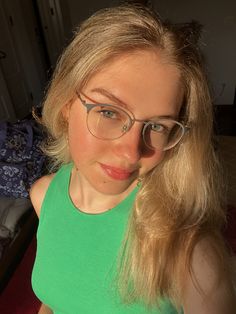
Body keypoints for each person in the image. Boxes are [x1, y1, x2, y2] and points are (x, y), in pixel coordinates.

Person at [30, 4, 236, 314]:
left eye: (157, 126)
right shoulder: (44, 196)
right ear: (66, 104)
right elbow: (54, 301)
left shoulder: (191, 254)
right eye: (108, 112)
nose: (131, 152)